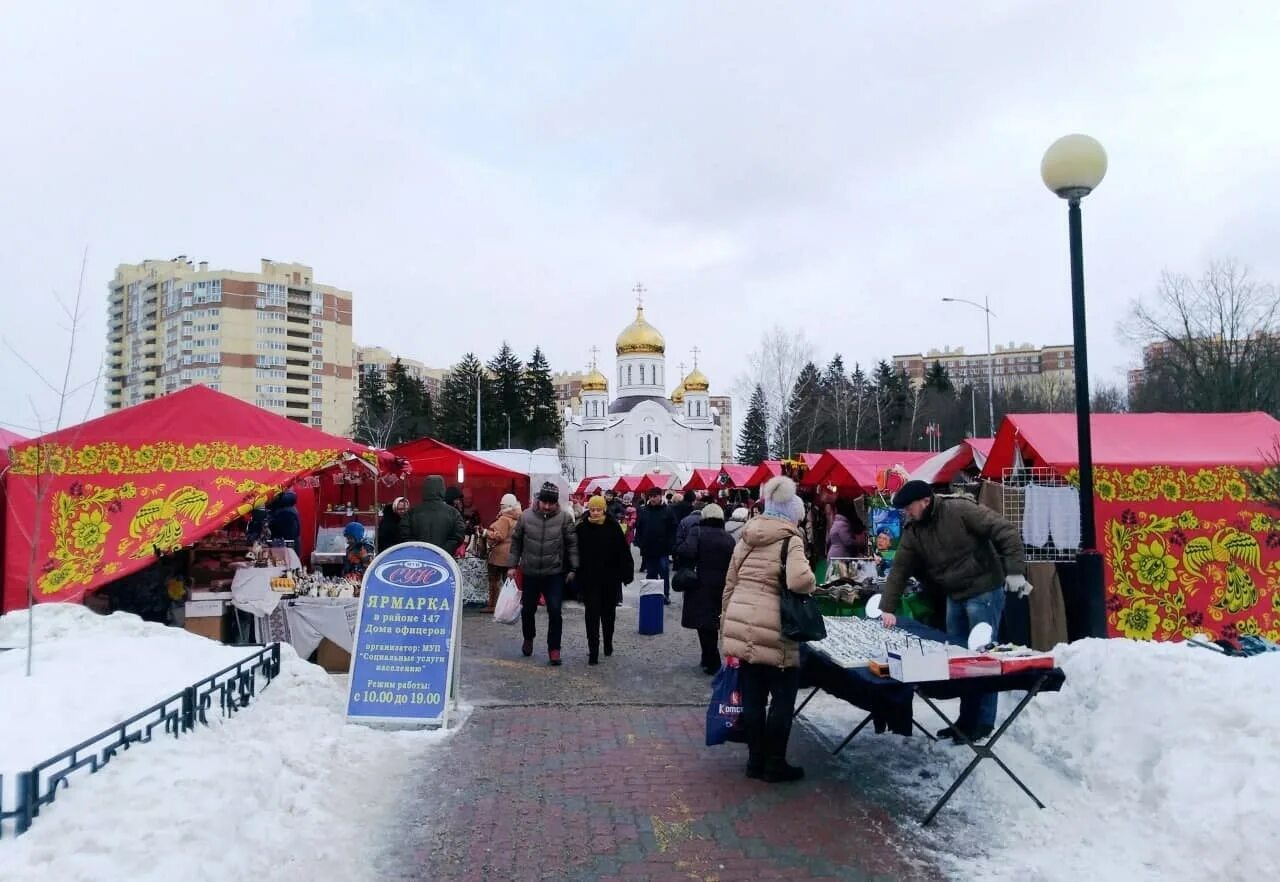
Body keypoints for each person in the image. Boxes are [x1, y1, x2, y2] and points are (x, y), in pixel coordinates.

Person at [878, 479, 1030, 743]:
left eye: (909, 507)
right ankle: (965, 720)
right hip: (955, 595)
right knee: (959, 661)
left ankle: (983, 722)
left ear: (925, 501)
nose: (906, 512)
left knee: (982, 659)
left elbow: (1004, 530)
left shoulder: (960, 509)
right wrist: (887, 607)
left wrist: (1015, 571)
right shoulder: (914, 529)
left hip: (983, 590)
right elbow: (900, 568)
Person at [720, 476, 816, 783]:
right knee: (782, 700)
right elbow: (800, 581)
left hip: (743, 625)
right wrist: (812, 580)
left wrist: (726, 624)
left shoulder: (747, 536)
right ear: (791, 512)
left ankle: (754, 761)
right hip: (776, 630)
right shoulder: (791, 539)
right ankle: (775, 764)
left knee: (753, 699)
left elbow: (730, 583)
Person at [509, 482, 579, 666]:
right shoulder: (525, 516)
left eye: (551, 503)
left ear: (556, 503)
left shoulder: (564, 518)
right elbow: (516, 542)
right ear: (538, 500)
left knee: (555, 611)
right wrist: (512, 565)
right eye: (544, 502)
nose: (547, 506)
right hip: (530, 571)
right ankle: (528, 637)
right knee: (528, 609)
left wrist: (573, 568)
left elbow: (572, 544)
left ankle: (554, 649)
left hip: (554, 573)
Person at [675, 503, 735, 674]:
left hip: (699, 584)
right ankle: (708, 658)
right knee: (713, 623)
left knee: (703, 624)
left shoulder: (697, 532)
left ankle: (711, 660)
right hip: (721, 585)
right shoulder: (728, 537)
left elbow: (686, 551)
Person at [575, 495, 634, 664]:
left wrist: (626, 573)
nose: (595, 513)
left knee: (608, 614)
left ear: (604, 510)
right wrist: (575, 574)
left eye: (598, 510)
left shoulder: (612, 526)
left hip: (610, 579)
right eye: (592, 509)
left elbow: (623, 551)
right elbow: (575, 552)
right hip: (590, 578)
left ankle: (608, 642)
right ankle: (593, 650)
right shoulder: (582, 527)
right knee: (591, 615)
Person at [635, 486, 678, 605]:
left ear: (660, 496)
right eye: (651, 496)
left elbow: (673, 529)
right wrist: (640, 542)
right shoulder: (643, 511)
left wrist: (671, 544)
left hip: (663, 549)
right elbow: (639, 527)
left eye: (655, 496)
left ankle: (665, 595)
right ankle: (651, 595)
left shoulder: (668, 511)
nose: (653, 499)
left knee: (664, 572)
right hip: (648, 548)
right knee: (651, 573)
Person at [403, 475, 467, 553]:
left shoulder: (412, 513)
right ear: (442, 490)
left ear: (424, 490)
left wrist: (419, 550)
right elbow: (459, 535)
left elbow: (404, 535)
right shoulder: (453, 513)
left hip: (418, 558)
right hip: (444, 558)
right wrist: (443, 551)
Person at [484, 494, 521, 612]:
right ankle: (509, 606)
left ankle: (493, 605)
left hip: (498, 556)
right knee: (509, 583)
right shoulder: (517, 518)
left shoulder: (504, 519)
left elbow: (500, 535)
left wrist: (486, 533)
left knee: (494, 581)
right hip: (510, 555)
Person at [825, 499, 867, 578]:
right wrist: (858, 543)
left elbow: (829, 540)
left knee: (833, 578)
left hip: (833, 554)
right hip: (840, 556)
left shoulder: (836, 523)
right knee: (840, 579)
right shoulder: (843, 524)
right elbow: (848, 542)